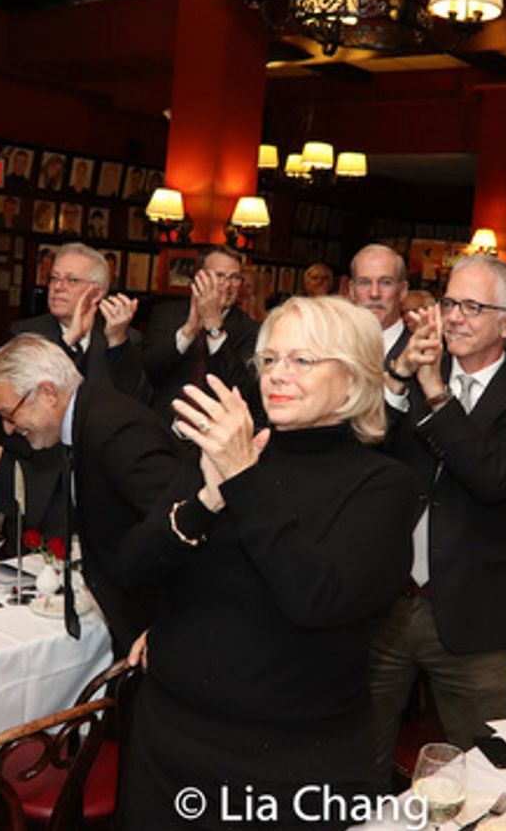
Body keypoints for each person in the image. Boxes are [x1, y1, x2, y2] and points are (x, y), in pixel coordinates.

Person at [121, 296, 419, 829]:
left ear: (352, 380)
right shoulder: (225, 455)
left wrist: (242, 479)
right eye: (271, 359)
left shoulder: (382, 486)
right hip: (165, 742)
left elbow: (317, 600)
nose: (278, 375)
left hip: (286, 766)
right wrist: (205, 502)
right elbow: (134, 569)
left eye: (302, 360)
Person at [370, 254, 506, 769]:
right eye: (450, 302)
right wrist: (397, 377)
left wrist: (436, 393)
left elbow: (493, 479)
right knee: (358, 754)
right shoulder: (410, 372)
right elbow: (365, 451)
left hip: (475, 615)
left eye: (473, 307)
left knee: (482, 770)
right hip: (386, 602)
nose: (454, 317)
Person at [0, 334, 180, 652]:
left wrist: (167, 627)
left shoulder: (116, 431)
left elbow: (179, 526)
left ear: (47, 393)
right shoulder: (88, 419)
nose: (8, 428)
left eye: (9, 414)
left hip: (157, 623)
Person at [8, 242, 150, 402]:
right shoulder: (26, 334)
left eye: (72, 280)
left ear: (96, 293)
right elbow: (19, 398)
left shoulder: (126, 339)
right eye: (54, 278)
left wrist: (117, 343)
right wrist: (67, 342)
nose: (57, 287)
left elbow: (138, 401)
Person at [142, 246, 259, 422]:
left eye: (235, 277)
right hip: (162, 422)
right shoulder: (166, 313)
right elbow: (147, 371)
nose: (228, 285)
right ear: (200, 277)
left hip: (216, 425)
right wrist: (188, 332)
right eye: (219, 275)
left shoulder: (250, 329)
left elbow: (241, 387)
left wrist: (214, 325)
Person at [348, 243, 410, 363]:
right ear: (351, 291)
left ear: (403, 291)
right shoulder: (332, 349)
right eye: (364, 283)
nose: (374, 293)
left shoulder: (424, 356)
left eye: (386, 283)